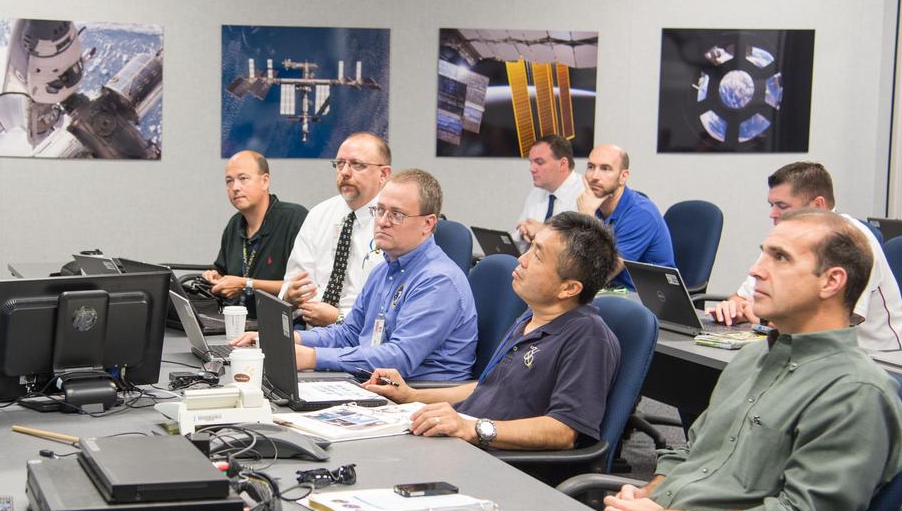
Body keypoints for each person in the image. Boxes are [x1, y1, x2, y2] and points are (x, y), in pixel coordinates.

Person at [602, 210, 902, 511]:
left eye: (779, 258)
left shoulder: (855, 392)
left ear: (831, 281)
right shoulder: (750, 359)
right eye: (764, 253)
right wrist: (647, 499)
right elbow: (690, 453)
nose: (756, 270)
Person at [362, 212, 620, 450]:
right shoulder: (532, 316)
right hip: (463, 444)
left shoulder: (588, 337)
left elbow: (563, 432)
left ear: (569, 289)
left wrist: (474, 428)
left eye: (538, 256)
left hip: (503, 466)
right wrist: (412, 395)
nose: (522, 259)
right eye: (530, 248)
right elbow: (488, 387)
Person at [235, 169, 477, 381]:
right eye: (379, 210)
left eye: (396, 214)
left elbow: (399, 357)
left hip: (423, 399)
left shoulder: (438, 281)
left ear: (427, 224)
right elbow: (349, 332)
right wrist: (288, 339)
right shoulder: (384, 269)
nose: (382, 221)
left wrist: (314, 358)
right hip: (375, 382)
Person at [709, 161, 902, 352]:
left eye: (782, 206)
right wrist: (733, 308)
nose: (772, 214)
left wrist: (761, 316)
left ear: (817, 205)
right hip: (814, 353)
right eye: (771, 205)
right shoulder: (786, 238)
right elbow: (743, 297)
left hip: (884, 362)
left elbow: (830, 327)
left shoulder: (850, 239)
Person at [280, 132, 391, 327]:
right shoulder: (319, 215)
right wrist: (289, 294)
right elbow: (291, 283)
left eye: (357, 164)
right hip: (309, 333)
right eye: (340, 164)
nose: (345, 172)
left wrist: (339, 318)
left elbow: (390, 306)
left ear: (383, 174)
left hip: (362, 338)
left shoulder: (393, 222)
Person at [202, 150, 307, 315]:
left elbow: (301, 287)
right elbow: (223, 272)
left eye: (243, 178)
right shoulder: (234, 224)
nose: (235, 187)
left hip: (281, 324)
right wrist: (216, 278)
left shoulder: (293, 218)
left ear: (265, 181)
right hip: (236, 323)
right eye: (229, 181)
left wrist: (246, 284)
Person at [576, 143, 674, 289]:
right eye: (591, 167)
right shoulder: (592, 206)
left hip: (644, 301)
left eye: (605, 168)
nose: (594, 176)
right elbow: (573, 262)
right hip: (608, 293)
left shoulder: (641, 214)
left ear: (623, 177)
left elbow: (600, 275)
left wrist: (587, 219)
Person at [514, 135, 585, 248]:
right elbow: (521, 229)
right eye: (531, 162)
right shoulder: (537, 192)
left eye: (539, 162)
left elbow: (580, 247)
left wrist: (543, 232)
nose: (532, 169)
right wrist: (523, 232)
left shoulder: (585, 193)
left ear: (562, 164)